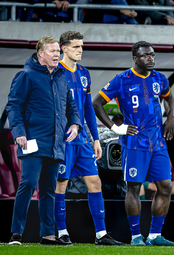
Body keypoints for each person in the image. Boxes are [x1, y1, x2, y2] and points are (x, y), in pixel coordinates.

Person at [93, 41, 174, 246]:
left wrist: (171, 118)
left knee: (166, 186)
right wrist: (115, 128)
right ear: (135, 58)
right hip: (134, 142)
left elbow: (169, 98)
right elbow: (97, 103)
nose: (151, 58)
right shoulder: (122, 80)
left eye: (152, 55)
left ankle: (155, 236)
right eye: (145, 55)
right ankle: (135, 237)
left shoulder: (160, 78)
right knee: (133, 188)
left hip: (157, 142)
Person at [6, 36, 82, 245]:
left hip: (56, 144)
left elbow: (71, 107)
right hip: (31, 141)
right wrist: (19, 132)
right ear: (41, 54)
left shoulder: (62, 77)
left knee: (49, 189)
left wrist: (75, 124)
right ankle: (16, 233)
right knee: (28, 184)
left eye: (58, 51)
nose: (57, 54)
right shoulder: (26, 75)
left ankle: (48, 235)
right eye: (52, 51)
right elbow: (13, 106)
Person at [54, 31, 124, 246]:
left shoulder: (84, 73)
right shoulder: (55, 72)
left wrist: (95, 138)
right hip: (63, 139)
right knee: (61, 184)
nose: (80, 50)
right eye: (76, 46)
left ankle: (101, 234)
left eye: (81, 46)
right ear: (64, 48)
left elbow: (87, 108)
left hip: (82, 140)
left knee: (95, 182)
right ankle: (61, 232)